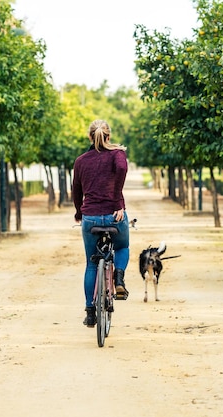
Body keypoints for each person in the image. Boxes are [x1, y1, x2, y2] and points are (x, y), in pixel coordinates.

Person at [72, 119, 130, 327]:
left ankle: (90, 310)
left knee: (91, 263)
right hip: (115, 215)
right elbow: (122, 169)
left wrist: (79, 213)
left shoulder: (81, 161)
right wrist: (117, 200)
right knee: (122, 246)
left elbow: (76, 191)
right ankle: (120, 279)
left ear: (90, 136)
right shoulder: (117, 154)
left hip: (91, 217)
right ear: (109, 136)